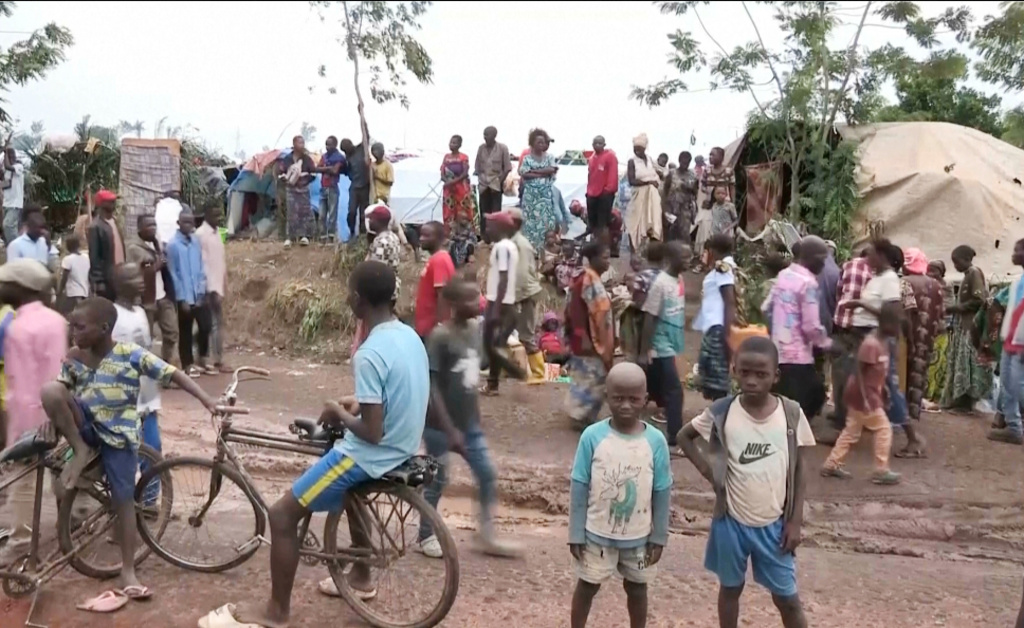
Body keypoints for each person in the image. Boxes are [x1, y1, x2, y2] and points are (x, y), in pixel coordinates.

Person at [212, 261, 428, 624]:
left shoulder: (369, 353)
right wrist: (357, 402)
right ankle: (359, 575)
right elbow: (399, 391)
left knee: (281, 516)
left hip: (372, 453)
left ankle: (276, 611)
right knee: (340, 483)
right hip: (406, 442)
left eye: (349, 293)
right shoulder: (407, 336)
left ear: (358, 300)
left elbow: (371, 432)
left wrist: (336, 411)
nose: (347, 298)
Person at [43, 297, 216, 608]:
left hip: (119, 436)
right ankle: (79, 451)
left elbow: (173, 373)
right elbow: (62, 391)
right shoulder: (74, 356)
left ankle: (127, 570)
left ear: (104, 328)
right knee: (49, 391)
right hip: (85, 428)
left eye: (80, 327)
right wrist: (52, 420)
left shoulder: (129, 354)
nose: (73, 333)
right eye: (72, 326)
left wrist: (208, 401)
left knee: (124, 500)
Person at [679, 336, 813, 628]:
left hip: (775, 526)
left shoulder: (790, 414)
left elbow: (801, 466)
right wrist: (710, 474)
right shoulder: (723, 412)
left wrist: (795, 521)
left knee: (787, 599)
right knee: (730, 589)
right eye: (745, 372)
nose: (752, 381)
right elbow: (683, 437)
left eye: (761, 374)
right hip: (731, 523)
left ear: (775, 376)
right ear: (734, 370)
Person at [419, 275, 521, 558]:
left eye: (477, 296)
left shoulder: (475, 330)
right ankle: (425, 535)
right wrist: (449, 429)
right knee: (438, 480)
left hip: (468, 423)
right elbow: (433, 387)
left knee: (487, 474)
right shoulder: (440, 337)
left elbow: (474, 372)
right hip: (438, 426)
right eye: (467, 298)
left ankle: (486, 535)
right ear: (451, 303)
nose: (476, 302)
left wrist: (475, 414)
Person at [569, 362, 671, 628]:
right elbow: (579, 484)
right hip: (595, 534)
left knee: (637, 588)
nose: (626, 405)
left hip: (640, 538)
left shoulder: (656, 441)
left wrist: (659, 535)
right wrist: (575, 532)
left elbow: (662, 489)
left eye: (634, 399)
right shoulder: (592, 437)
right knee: (587, 585)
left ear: (646, 400)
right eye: (618, 398)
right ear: (606, 396)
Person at [0, 260, 66, 566]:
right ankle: (73, 523)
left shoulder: (18, 327)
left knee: (23, 482)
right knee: (62, 473)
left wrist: (24, 424)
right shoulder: (55, 320)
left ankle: (21, 544)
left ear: (21, 289)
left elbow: (24, 382)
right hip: (57, 407)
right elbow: (57, 369)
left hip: (30, 415)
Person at [821, 301, 902, 485]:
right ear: (887, 323)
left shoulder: (882, 343)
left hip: (866, 394)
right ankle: (881, 470)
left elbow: (878, 372)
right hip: (862, 395)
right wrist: (866, 398)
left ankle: (831, 464)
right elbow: (858, 371)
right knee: (884, 429)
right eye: (897, 324)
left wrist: (885, 389)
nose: (899, 329)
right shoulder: (871, 344)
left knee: (851, 431)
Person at [110, 264, 164, 502]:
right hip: (123, 394)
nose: (141, 281)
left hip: (147, 393)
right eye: (134, 278)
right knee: (124, 455)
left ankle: (149, 502)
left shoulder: (140, 312)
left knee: (152, 448)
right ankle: (120, 506)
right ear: (119, 284)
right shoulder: (111, 315)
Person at [763, 236, 832, 420]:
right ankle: (791, 441)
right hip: (798, 355)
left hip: (778, 350)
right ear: (811, 257)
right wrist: (827, 343)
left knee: (784, 401)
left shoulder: (784, 275)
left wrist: (776, 332)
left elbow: (766, 308)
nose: (824, 264)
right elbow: (810, 327)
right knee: (809, 399)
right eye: (822, 258)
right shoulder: (808, 283)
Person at [639, 242, 689, 452]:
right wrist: (644, 350)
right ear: (670, 259)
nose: (689, 261)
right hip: (661, 344)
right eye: (684, 258)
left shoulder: (678, 279)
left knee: (654, 387)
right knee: (675, 391)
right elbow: (650, 317)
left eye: (690, 257)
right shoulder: (660, 284)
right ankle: (675, 437)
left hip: (673, 342)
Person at [565, 241, 615, 427]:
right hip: (587, 340)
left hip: (594, 339)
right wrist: (583, 336)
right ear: (592, 259)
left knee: (593, 378)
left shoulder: (592, 279)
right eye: (604, 258)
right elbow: (576, 310)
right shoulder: (587, 280)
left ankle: (584, 416)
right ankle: (579, 417)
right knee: (589, 379)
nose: (608, 261)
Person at [900, 247, 943, 454]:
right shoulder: (936, 285)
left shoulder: (904, 283)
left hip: (907, 338)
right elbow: (940, 315)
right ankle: (913, 413)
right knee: (919, 373)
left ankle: (903, 419)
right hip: (927, 337)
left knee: (903, 375)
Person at [828, 247, 875, 435]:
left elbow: (843, 295)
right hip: (865, 329)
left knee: (842, 372)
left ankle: (843, 419)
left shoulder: (852, 265)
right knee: (857, 373)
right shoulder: (879, 274)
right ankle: (849, 415)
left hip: (846, 327)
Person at [940, 245, 992, 412]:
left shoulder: (974, 273)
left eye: (956, 262)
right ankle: (960, 401)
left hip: (971, 327)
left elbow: (979, 299)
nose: (955, 266)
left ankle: (965, 403)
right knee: (963, 365)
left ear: (965, 260)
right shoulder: (968, 275)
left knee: (967, 365)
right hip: (964, 325)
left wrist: (955, 308)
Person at [482, 212, 525, 395]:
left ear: (499, 228)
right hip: (506, 302)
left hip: (500, 303)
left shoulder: (502, 248)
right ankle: (493, 384)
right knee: (495, 344)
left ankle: (513, 370)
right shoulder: (510, 246)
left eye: (490, 226)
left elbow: (504, 277)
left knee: (490, 344)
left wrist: (496, 309)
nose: (487, 229)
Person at [166, 207, 212, 378]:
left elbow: (201, 267)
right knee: (185, 330)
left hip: (198, 293)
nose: (188, 225)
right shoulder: (173, 245)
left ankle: (203, 358)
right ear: (178, 223)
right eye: (185, 222)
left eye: (191, 222)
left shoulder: (195, 241)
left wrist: (202, 290)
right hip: (184, 296)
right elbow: (173, 273)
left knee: (206, 325)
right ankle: (187, 364)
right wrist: (181, 299)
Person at [127, 214, 178, 365]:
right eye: (149, 225)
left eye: (154, 225)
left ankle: (166, 368)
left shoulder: (157, 244)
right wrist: (159, 263)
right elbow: (141, 270)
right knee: (146, 337)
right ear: (140, 228)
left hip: (162, 295)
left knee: (172, 333)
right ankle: (146, 370)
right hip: (146, 298)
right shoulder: (134, 248)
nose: (153, 229)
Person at [696, 234, 738, 401]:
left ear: (712, 251)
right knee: (713, 375)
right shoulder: (726, 267)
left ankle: (721, 416)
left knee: (718, 379)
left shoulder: (723, 269)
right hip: (715, 325)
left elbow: (729, 301)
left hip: (719, 327)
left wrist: (728, 335)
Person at [991, 239, 1024, 444]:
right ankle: (1013, 427)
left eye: (1018, 250)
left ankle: (1014, 427)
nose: (1014, 253)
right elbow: (999, 303)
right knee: (1007, 386)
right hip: (1010, 341)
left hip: (1021, 344)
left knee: (1017, 387)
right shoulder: (1018, 281)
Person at [508, 207, 545, 383]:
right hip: (521, 293)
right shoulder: (515, 242)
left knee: (526, 335)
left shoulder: (519, 244)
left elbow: (522, 275)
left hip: (525, 294)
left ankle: (538, 374)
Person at [196, 202, 229, 373]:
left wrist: (224, 282)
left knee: (215, 324)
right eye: (216, 215)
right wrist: (210, 288)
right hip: (209, 288)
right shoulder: (201, 235)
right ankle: (212, 360)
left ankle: (213, 359)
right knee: (210, 325)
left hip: (218, 285)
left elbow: (219, 261)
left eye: (220, 214)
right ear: (207, 216)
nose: (219, 218)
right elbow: (201, 264)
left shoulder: (217, 234)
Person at [518, 128, 561, 251]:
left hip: (545, 197)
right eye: (538, 142)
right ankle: (531, 249)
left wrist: (534, 171)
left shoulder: (549, 157)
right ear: (532, 143)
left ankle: (544, 249)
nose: (541, 145)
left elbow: (552, 169)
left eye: (543, 142)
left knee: (546, 221)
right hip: (531, 197)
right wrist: (543, 172)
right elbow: (524, 174)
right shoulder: (527, 158)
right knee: (530, 222)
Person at [414, 221, 456, 339]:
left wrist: (440, 326)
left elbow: (443, 295)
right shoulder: (436, 258)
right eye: (421, 235)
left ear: (439, 238)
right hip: (427, 327)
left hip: (432, 330)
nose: (422, 239)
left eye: (427, 236)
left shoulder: (440, 260)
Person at [625, 133, 663, 250]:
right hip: (638, 197)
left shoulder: (650, 160)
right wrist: (648, 182)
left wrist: (658, 178)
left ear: (645, 149)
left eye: (640, 149)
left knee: (652, 224)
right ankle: (634, 253)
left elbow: (660, 173)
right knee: (634, 225)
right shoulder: (632, 161)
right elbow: (632, 181)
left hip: (652, 197)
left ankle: (649, 253)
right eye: (635, 149)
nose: (637, 152)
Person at [87, 189, 125, 300]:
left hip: (120, 274)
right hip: (108, 278)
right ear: (101, 204)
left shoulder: (115, 221)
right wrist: (99, 281)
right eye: (110, 201)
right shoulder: (95, 226)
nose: (113, 203)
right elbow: (94, 256)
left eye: (113, 201)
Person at [279, 135, 316, 247]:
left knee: (304, 212)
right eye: (300, 143)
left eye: (303, 143)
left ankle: (304, 236)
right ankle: (290, 237)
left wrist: (304, 180)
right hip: (291, 189)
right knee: (291, 212)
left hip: (303, 189)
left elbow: (313, 174)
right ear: (294, 144)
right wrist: (285, 178)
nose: (302, 145)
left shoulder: (307, 159)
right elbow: (281, 172)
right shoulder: (287, 159)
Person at [474, 126, 512, 233]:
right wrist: (480, 179)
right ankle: (484, 237)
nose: (485, 137)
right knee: (483, 212)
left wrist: (500, 181)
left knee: (496, 213)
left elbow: (507, 168)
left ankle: (495, 236)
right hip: (483, 185)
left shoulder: (502, 148)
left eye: (487, 135)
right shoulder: (481, 148)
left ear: (494, 136)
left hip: (496, 185)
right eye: (484, 135)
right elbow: (477, 167)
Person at [925, 260, 952, 403]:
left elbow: (947, 307)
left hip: (940, 330)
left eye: (934, 270)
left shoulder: (946, 287)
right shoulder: (926, 284)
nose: (930, 273)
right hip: (927, 330)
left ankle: (930, 396)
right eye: (928, 270)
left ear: (941, 272)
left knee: (935, 365)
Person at [661, 151, 699, 245]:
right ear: (679, 160)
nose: (685, 165)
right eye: (683, 162)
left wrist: (689, 188)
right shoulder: (672, 173)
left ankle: (682, 255)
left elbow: (696, 192)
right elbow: (665, 191)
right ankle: (668, 255)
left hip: (685, 209)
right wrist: (665, 208)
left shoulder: (692, 175)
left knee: (684, 234)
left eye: (687, 163)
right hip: (671, 208)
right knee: (669, 233)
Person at [440, 135, 474, 234]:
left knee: (463, 210)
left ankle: (466, 233)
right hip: (448, 189)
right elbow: (442, 173)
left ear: (460, 145)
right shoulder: (446, 157)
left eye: (454, 143)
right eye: (451, 142)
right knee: (448, 211)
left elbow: (465, 173)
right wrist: (447, 181)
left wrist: (453, 182)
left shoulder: (463, 157)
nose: (451, 144)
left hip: (461, 188)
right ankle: (449, 233)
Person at [585, 135, 619, 237]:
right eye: (595, 143)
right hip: (592, 193)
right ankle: (595, 243)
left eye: (600, 143)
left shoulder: (610, 156)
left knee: (603, 222)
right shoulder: (591, 159)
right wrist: (588, 191)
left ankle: (603, 245)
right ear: (592, 145)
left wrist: (609, 189)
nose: (597, 145)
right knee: (592, 222)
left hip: (605, 193)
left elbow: (613, 174)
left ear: (604, 144)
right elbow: (590, 176)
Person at [315, 135, 346, 242]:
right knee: (322, 215)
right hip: (323, 188)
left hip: (332, 188)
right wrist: (328, 168)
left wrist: (324, 168)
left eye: (329, 144)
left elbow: (335, 171)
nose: (327, 147)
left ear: (335, 145)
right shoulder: (324, 156)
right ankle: (323, 236)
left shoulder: (339, 157)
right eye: (326, 144)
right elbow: (316, 169)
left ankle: (331, 237)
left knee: (332, 215)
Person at [341, 137, 371, 239]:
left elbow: (367, 136)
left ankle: (362, 235)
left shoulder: (361, 148)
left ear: (351, 144)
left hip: (365, 186)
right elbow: (347, 171)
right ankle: (352, 232)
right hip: (354, 186)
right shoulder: (347, 158)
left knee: (364, 213)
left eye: (347, 149)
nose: (346, 152)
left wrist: (364, 124)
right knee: (352, 211)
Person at [58, 233, 90, 314]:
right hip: (85, 292)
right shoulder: (86, 257)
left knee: (70, 314)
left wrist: (60, 290)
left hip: (73, 293)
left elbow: (64, 277)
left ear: (67, 246)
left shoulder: (68, 259)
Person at [2, 146, 25, 244]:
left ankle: (16, 245)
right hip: (6, 203)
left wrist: (5, 152)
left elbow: (7, 166)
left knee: (7, 225)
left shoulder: (18, 167)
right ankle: (14, 247)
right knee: (11, 227)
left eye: (10, 156)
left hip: (15, 204)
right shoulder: (6, 171)